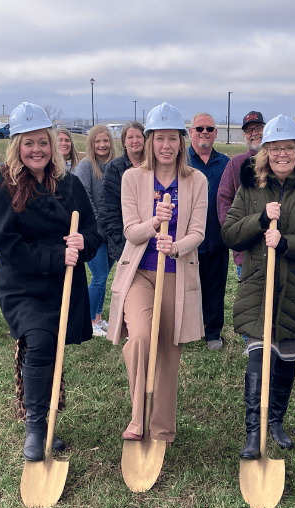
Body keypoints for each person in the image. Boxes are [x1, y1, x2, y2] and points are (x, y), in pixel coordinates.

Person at [0, 102, 101, 460]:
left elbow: (93, 233)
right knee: (37, 342)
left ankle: (49, 418)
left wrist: (83, 243)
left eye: (43, 142)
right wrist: (54, 257)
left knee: (52, 347)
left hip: (63, 285)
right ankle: (35, 427)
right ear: (16, 146)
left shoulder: (70, 185)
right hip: (22, 284)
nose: (37, 150)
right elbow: (5, 245)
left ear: (52, 144)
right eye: (28, 143)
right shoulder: (1, 189)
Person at [222, 115, 295, 459]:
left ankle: (275, 421)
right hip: (259, 286)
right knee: (259, 359)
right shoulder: (251, 187)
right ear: (266, 151)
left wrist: (286, 243)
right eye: (275, 148)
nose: (282, 154)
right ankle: (253, 432)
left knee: (286, 359)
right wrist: (259, 220)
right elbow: (230, 233)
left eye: (288, 148)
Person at [106, 103, 207, 443]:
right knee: (141, 338)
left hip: (176, 273)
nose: (166, 145)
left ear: (181, 142)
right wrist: (154, 222)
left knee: (167, 350)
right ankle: (138, 418)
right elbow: (130, 232)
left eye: (172, 138)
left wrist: (175, 246)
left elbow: (198, 232)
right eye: (159, 138)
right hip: (140, 273)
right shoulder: (132, 178)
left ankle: (162, 428)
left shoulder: (196, 180)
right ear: (149, 141)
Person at [187, 112, 230, 350]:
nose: (204, 132)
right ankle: (189, 329)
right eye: (200, 128)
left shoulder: (225, 163)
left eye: (209, 129)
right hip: (187, 240)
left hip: (216, 238)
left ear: (215, 133)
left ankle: (213, 332)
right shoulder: (181, 161)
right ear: (191, 132)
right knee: (188, 287)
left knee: (215, 288)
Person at [75, 125, 118, 337]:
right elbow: (84, 197)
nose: (102, 145)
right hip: (93, 233)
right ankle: (89, 320)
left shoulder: (116, 166)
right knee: (99, 276)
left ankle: (98, 318)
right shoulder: (86, 166)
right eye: (97, 141)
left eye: (105, 140)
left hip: (112, 233)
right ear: (91, 144)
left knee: (105, 276)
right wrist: (99, 224)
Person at [217, 111, 265, 282]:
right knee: (249, 295)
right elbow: (224, 201)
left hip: (276, 246)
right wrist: (236, 233)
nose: (254, 134)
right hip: (246, 252)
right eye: (249, 131)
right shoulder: (235, 164)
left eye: (258, 128)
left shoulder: (279, 161)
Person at [99, 120, 146, 263]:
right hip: (124, 240)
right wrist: (120, 238)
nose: (135, 141)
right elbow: (107, 207)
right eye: (130, 137)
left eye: (139, 137)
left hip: (149, 237)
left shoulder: (153, 165)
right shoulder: (114, 168)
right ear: (124, 142)